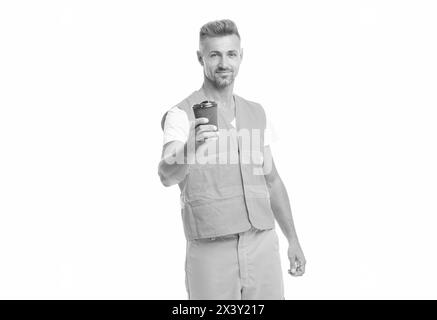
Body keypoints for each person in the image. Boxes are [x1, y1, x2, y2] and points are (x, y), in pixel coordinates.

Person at [158, 19, 305, 300]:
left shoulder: (256, 112)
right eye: (214, 55)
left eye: (231, 54)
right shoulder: (181, 114)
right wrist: (190, 147)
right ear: (200, 58)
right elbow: (165, 174)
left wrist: (293, 239)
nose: (223, 63)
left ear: (241, 56)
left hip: (262, 246)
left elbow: (272, 182)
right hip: (212, 251)